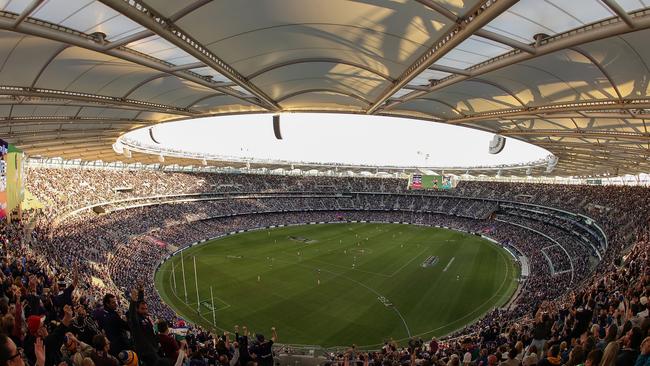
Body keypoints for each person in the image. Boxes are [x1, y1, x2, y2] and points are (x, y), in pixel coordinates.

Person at [127, 285, 168, 366]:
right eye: (143, 309)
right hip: (146, 352)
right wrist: (133, 301)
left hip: (153, 348)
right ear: (136, 309)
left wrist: (141, 291)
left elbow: (140, 303)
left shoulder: (144, 317)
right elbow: (133, 317)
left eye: (146, 308)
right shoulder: (136, 319)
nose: (145, 310)